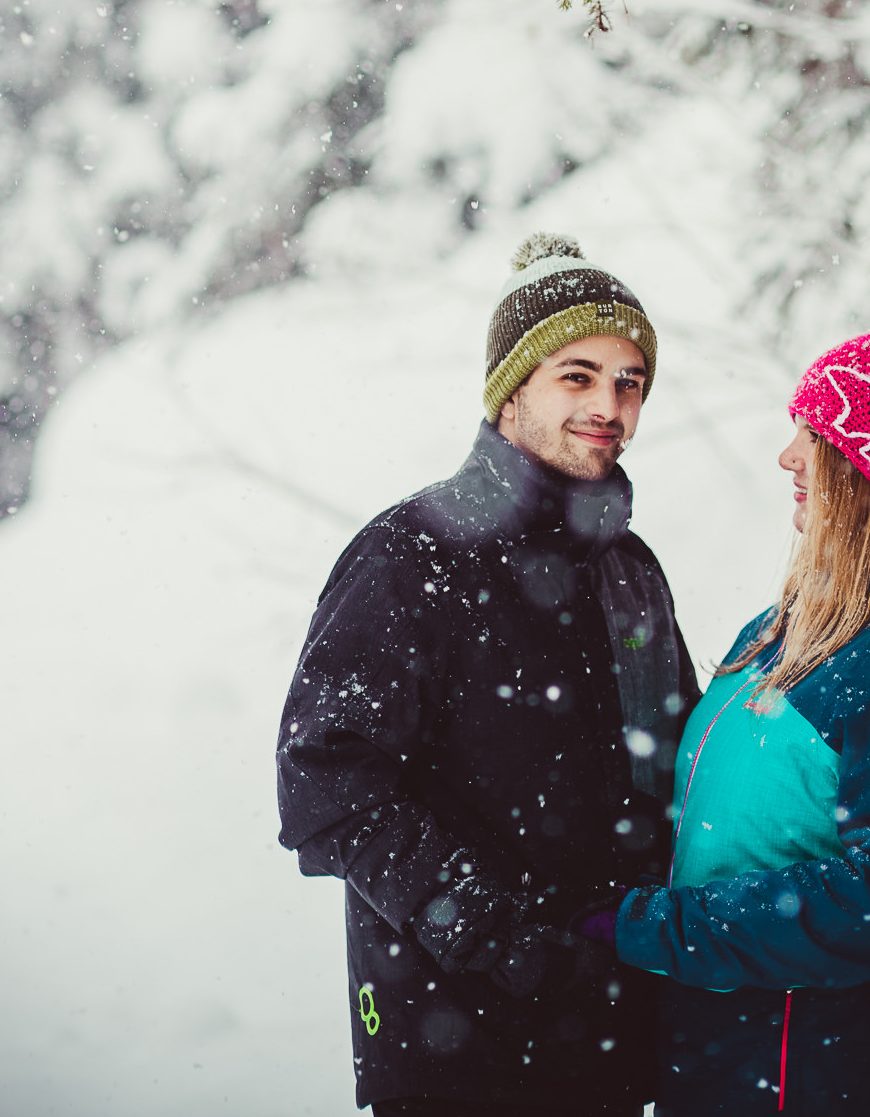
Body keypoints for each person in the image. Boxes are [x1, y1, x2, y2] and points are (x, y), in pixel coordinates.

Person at [277, 232, 699, 1117]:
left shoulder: (629, 569)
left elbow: (672, 767)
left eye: (629, 382)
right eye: (576, 375)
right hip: (457, 1044)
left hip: (615, 1030)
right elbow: (325, 778)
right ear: (511, 391)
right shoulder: (409, 554)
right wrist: (491, 935)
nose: (609, 406)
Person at [608, 315, 870, 1116]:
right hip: (732, 1054)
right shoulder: (800, 618)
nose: (787, 455)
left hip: (831, 1073)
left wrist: (660, 927)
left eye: (814, 433)